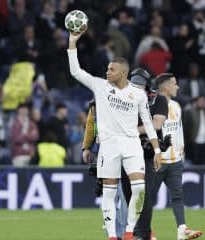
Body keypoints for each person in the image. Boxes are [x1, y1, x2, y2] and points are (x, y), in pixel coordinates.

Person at [67, 30, 162, 240]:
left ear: (123, 73)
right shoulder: (100, 87)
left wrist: (156, 149)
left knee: (139, 189)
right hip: (108, 146)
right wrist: (72, 43)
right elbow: (75, 71)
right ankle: (112, 236)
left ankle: (129, 232)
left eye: (111, 69)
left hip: (131, 145)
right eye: (107, 68)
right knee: (109, 193)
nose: (107, 72)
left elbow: (147, 122)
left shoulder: (137, 94)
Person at [153, 73, 203, 240]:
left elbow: (178, 130)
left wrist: (182, 153)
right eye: (174, 84)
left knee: (177, 196)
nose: (178, 87)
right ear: (165, 87)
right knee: (147, 198)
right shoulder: (152, 105)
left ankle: (182, 229)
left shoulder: (176, 105)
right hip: (158, 160)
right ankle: (144, 231)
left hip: (175, 160)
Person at [121, 67, 169, 240]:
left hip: (147, 154)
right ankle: (143, 233)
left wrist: (132, 130)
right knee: (129, 194)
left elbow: (156, 124)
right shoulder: (124, 99)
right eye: (134, 84)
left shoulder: (159, 100)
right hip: (125, 152)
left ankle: (141, 234)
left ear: (148, 86)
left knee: (144, 195)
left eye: (140, 85)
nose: (136, 87)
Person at [82, 99, 127, 240]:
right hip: (106, 154)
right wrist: (87, 147)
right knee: (111, 196)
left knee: (124, 196)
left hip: (125, 154)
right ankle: (117, 234)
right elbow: (91, 125)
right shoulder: (95, 103)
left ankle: (125, 232)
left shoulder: (126, 99)